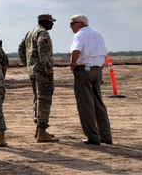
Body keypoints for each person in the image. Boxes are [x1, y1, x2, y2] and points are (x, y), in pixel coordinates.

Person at [69, 14, 112, 145]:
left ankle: (92, 136)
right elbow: (105, 54)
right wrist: (99, 70)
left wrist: (72, 64)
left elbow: (76, 50)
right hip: (97, 70)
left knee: (85, 105)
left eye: (72, 23)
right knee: (98, 103)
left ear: (80, 23)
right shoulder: (98, 34)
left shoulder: (80, 35)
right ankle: (106, 135)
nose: (70, 26)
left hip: (84, 70)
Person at [18, 14, 59, 143]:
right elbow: (43, 51)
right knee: (44, 100)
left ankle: (40, 130)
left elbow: (21, 48)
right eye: (50, 22)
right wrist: (47, 69)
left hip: (33, 71)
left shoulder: (30, 32)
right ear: (44, 22)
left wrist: (28, 64)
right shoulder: (42, 33)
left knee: (38, 99)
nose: (52, 24)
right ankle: (42, 131)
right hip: (42, 72)